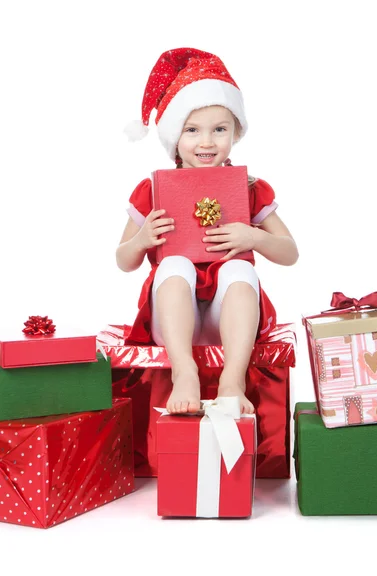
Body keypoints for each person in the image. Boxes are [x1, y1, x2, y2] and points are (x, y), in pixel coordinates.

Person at [116, 48, 298, 415]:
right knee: (174, 265)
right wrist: (142, 240)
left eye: (220, 130)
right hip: (172, 318)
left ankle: (233, 381)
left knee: (239, 269)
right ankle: (185, 371)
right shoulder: (154, 189)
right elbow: (123, 260)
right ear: (174, 138)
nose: (207, 142)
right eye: (192, 130)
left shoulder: (248, 187)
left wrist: (255, 238)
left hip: (229, 320)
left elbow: (290, 252)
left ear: (235, 133)